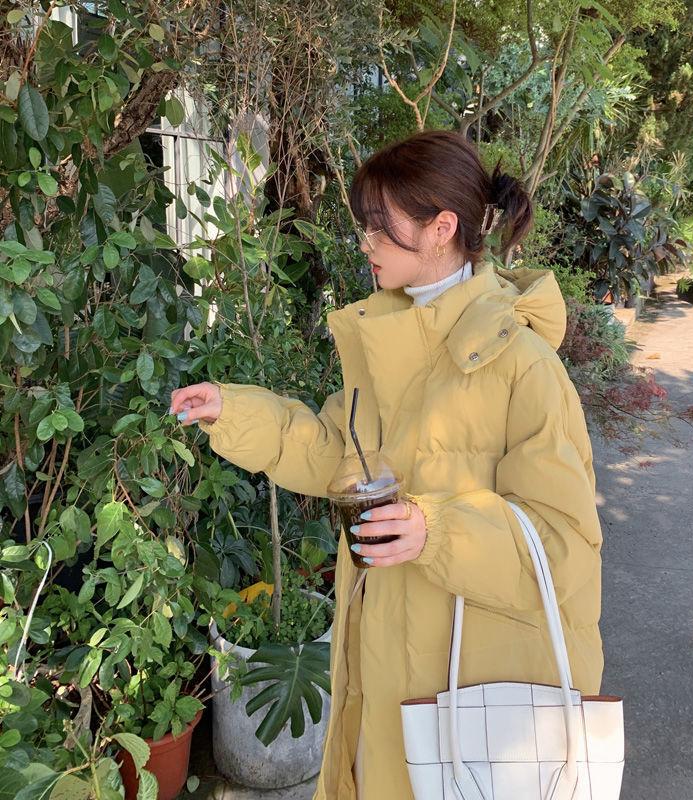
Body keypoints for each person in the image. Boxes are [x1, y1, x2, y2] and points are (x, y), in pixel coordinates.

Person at [170, 130, 604, 800]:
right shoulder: (386, 341)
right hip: (381, 665)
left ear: (442, 228)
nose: (366, 243)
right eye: (364, 226)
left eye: (380, 226)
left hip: (478, 687)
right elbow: (331, 454)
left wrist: (437, 531)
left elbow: (566, 545)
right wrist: (233, 412)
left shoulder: (524, 366)